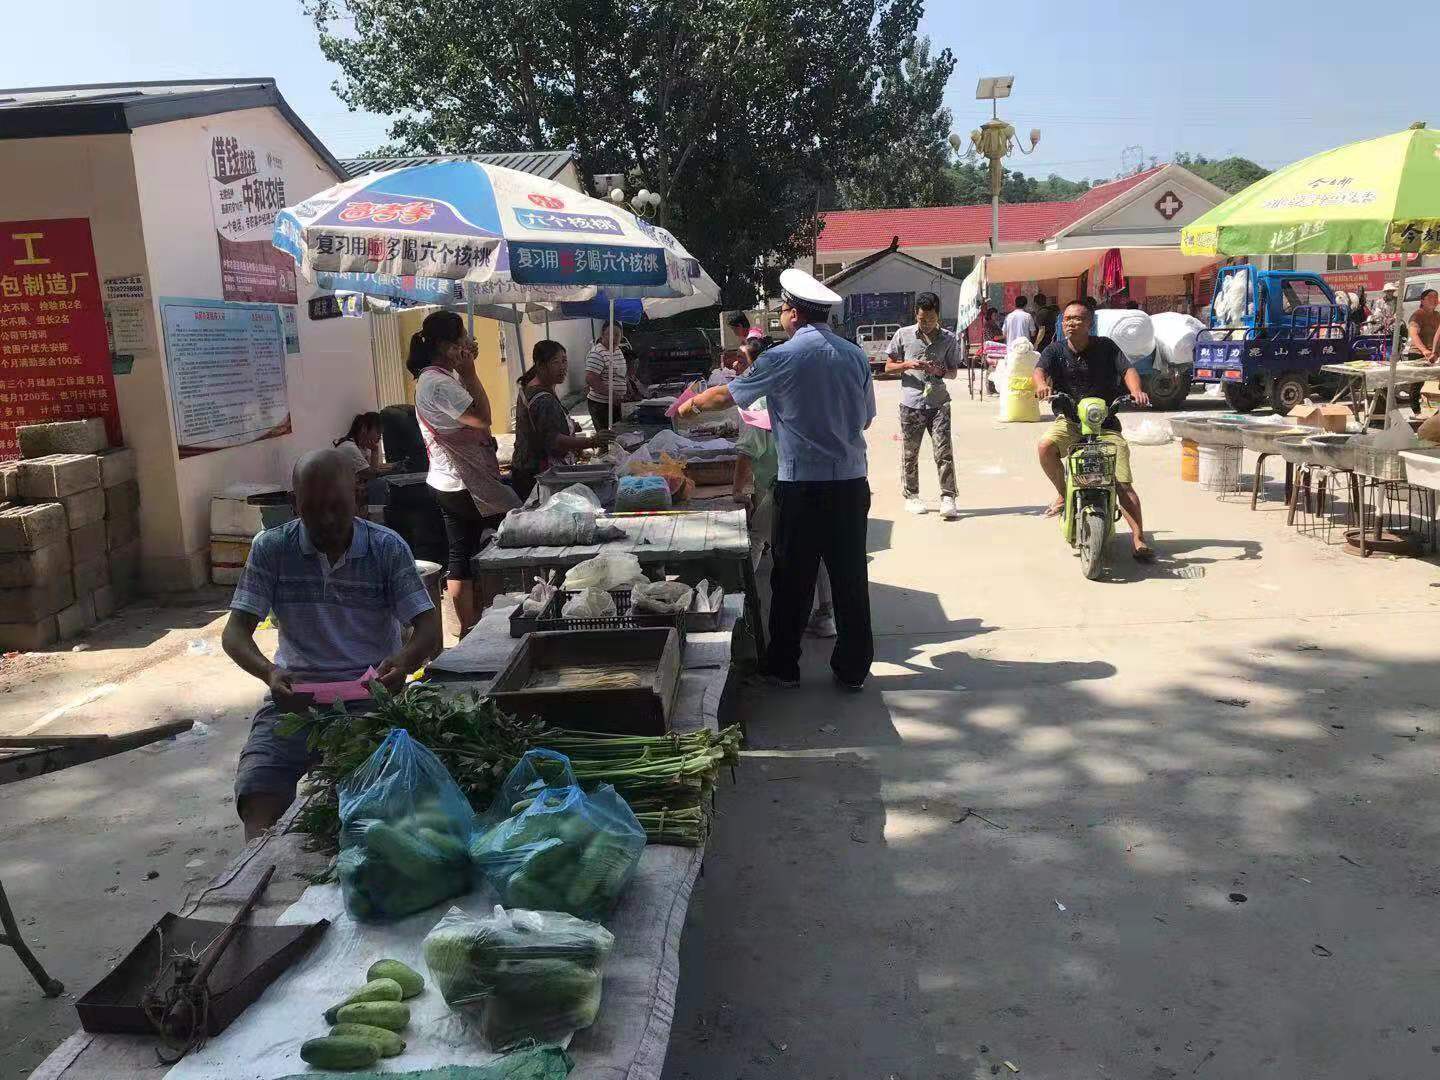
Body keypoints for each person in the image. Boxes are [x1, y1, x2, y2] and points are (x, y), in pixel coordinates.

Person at [223, 449, 441, 839]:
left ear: (358, 497)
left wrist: (404, 660)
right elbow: (234, 634)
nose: (326, 520)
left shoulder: (386, 548)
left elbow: (427, 627)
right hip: (295, 699)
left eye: (337, 508)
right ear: (294, 504)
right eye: (312, 509)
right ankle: (257, 866)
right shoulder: (272, 548)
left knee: (373, 802)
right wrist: (269, 672)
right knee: (258, 789)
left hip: (369, 696)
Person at [678, 268, 875, 690]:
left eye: (782, 309)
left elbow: (726, 395)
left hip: (802, 486)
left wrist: (689, 406)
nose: (781, 316)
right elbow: (866, 419)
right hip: (850, 483)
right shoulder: (855, 355)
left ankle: (784, 666)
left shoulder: (782, 357)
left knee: (792, 579)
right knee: (850, 577)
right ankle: (853, 669)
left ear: (794, 314)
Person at [409, 310, 519, 637]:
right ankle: (494, 617)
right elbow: (482, 417)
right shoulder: (439, 384)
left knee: (461, 552)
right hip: (463, 482)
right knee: (516, 525)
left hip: (446, 480)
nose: (469, 344)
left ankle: (468, 629)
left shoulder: (434, 379)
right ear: (447, 347)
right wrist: (471, 373)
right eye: (463, 340)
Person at [1034, 300, 1155, 562]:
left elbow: (1128, 370)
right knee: (1045, 447)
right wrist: (1042, 385)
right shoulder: (1055, 350)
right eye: (1067, 319)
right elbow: (1039, 371)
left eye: (1078, 319)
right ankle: (1064, 493)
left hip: (1105, 424)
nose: (1071, 323)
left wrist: (1136, 391)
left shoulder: (1106, 347)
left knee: (1122, 483)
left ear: (1089, 323)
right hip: (1071, 422)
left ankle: (1138, 537)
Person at [731, 396, 837, 638]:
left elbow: (745, 455)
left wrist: (737, 492)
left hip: (781, 490)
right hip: (814, 486)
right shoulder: (806, 413)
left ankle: (742, 600)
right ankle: (826, 615)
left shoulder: (760, 419)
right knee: (818, 552)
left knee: (756, 540)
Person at [885, 291, 960, 520]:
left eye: (930, 319)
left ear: (938, 316)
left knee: (943, 451)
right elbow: (888, 366)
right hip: (911, 403)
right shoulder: (903, 335)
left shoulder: (948, 339)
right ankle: (912, 495)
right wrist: (907, 364)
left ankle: (948, 497)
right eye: (921, 319)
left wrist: (939, 371)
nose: (926, 323)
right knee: (910, 453)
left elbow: (953, 372)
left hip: (939, 403)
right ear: (915, 315)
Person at [512, 339, 606, 501]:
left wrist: (569, 426)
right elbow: (554, 441)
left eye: (564, 361)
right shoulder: (543, 399)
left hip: (525, 469)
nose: (563, 367)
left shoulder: (531, 387)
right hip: (538, 475)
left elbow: (542, 426)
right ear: (540, 365)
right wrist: (592, 441)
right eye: (555, 362)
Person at [585, 322, 628, 432]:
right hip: (601, 405)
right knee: (606, 437)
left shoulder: (617, 350)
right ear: (602, 335)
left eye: (617, 335)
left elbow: (621, 375)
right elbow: (591, 378)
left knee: (618, 435)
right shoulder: (597, 353)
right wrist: (611, 395)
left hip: (616, 404)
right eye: (610, 334)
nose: (614, 338)